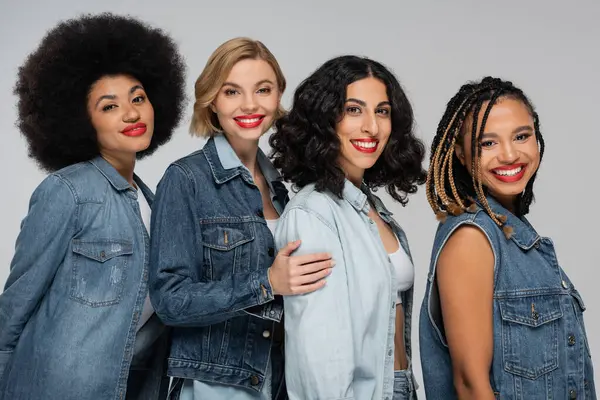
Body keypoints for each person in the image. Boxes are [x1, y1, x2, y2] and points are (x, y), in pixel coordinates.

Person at [0, 13, 186, 400]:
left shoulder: (154, 201)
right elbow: (16, 304)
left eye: (138, 98)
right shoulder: (66, 191)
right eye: (109, 106)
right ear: (82, 120)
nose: (132, 113)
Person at [148, 37, 332, 400]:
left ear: (279, 95)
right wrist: (265, 282)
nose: (250, 104)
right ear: (212, 101)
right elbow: (170, 300)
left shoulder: (283, 186)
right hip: (216, 387)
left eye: (262, 90)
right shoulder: (186, 179)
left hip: (280, 380)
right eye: (232, 92)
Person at [419, 76, 596, 399]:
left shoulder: (515, 237)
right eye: (488, 143)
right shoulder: (472, 238)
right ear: (460, 153)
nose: (510, 154)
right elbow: (471, 385)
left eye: (521, 136)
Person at [269, 55, 427, 400]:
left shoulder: (370, 207)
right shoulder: (313, 215)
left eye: (382, 111)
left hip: (399, 387)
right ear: (324, 119)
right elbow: (319, 358)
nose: (371, 126)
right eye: (354, 110)